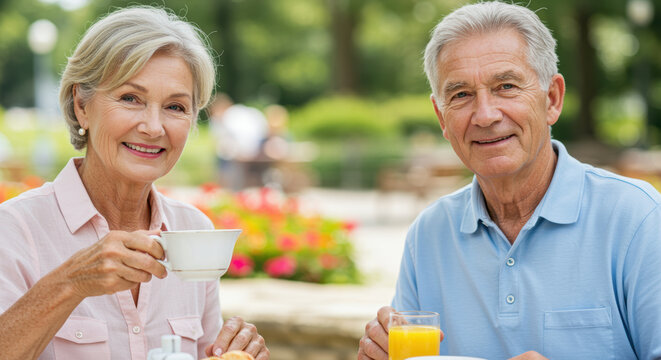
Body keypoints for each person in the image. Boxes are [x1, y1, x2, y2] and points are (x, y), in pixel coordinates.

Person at [358, 2, 661, 360]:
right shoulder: (429, 234)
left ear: (552, 99)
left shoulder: (638, 218)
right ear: (441, 117)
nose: (485, 115)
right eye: (461, 95)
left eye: (506, 86)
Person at [0, 7, 269, 360]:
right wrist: (69, 284)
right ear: (82, 105)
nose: (154, 127)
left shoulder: (193, 229)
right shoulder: (14, 229)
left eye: (175, 107)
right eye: (130, 98)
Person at [208, 94, 268, 191]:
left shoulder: (232, 116)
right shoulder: (220, 119)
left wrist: (243, 152)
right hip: (242, 151)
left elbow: (245, 136)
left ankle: (230, 189)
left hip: (250, 149)